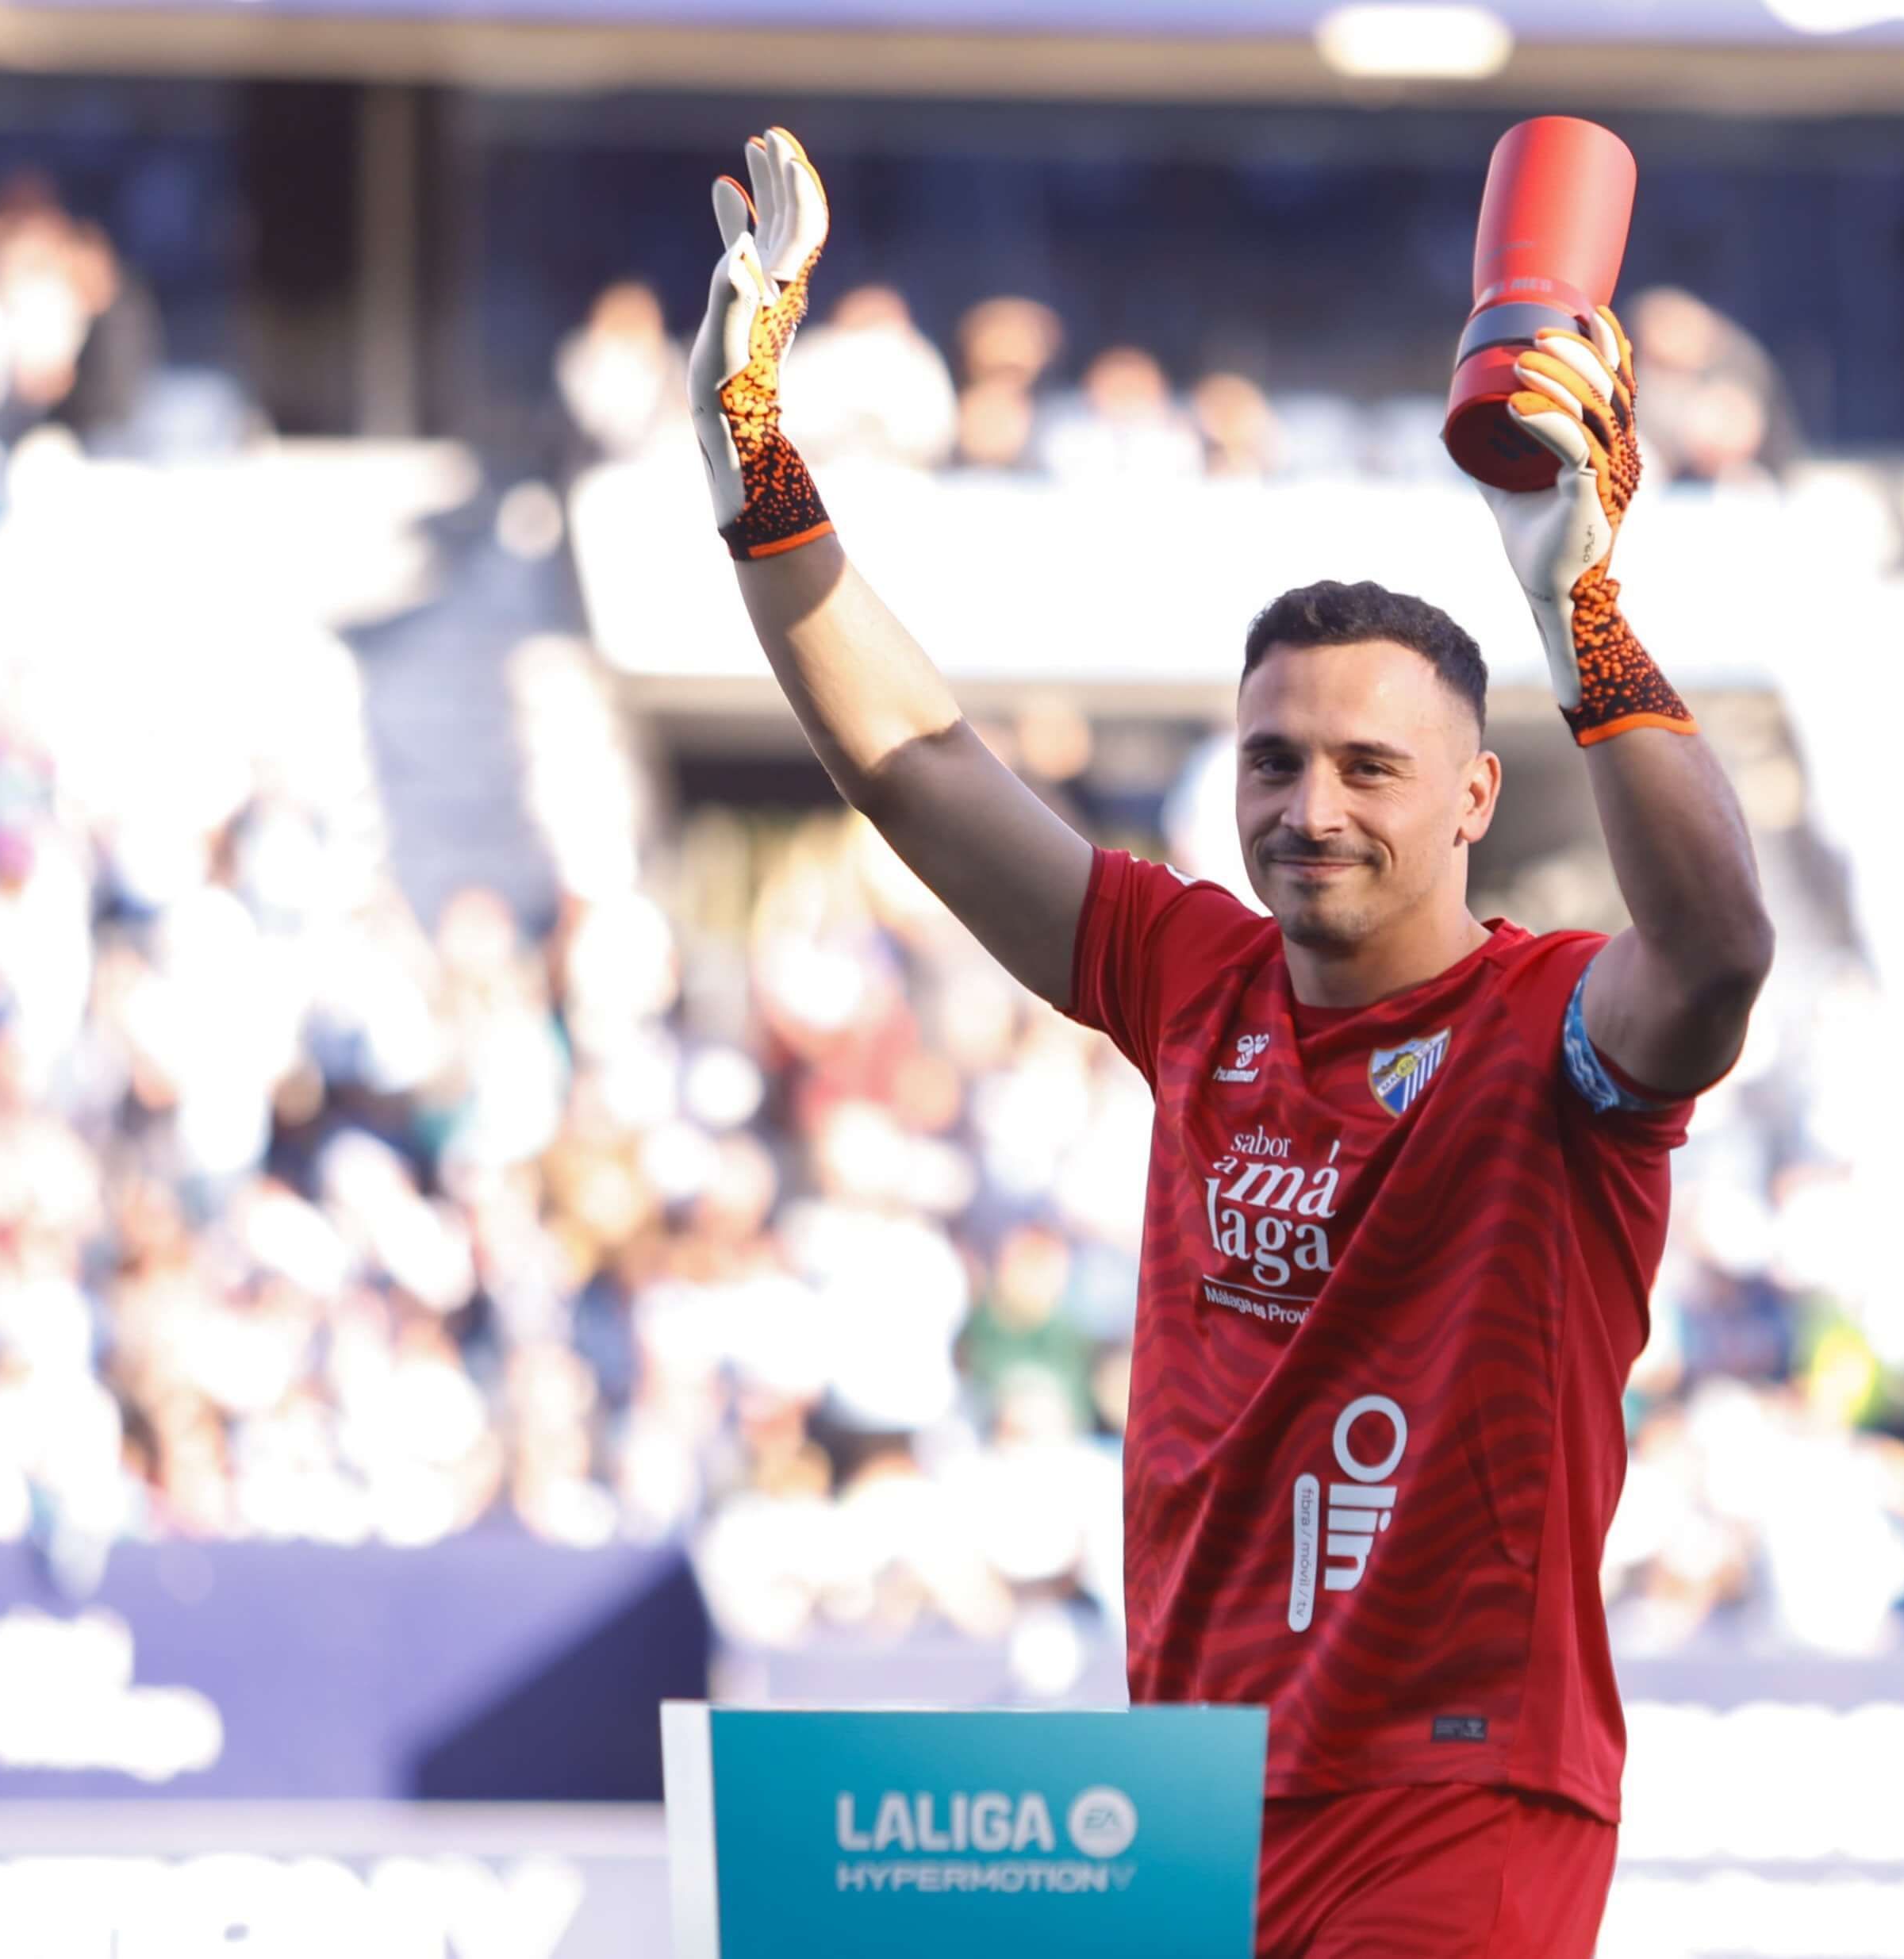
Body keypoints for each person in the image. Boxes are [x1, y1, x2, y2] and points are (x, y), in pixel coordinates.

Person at [685, 129, 1772, 1958]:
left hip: (1456, 1799)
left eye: (1367, 767)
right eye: (1273, 761)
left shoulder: (1548, 1030)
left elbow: (1722, 950)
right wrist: (754, 475)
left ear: (1471, 801)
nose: (1308, 804)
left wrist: (1579, 602)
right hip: (1180, 1806)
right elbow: (915, 760)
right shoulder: (1194, 978)